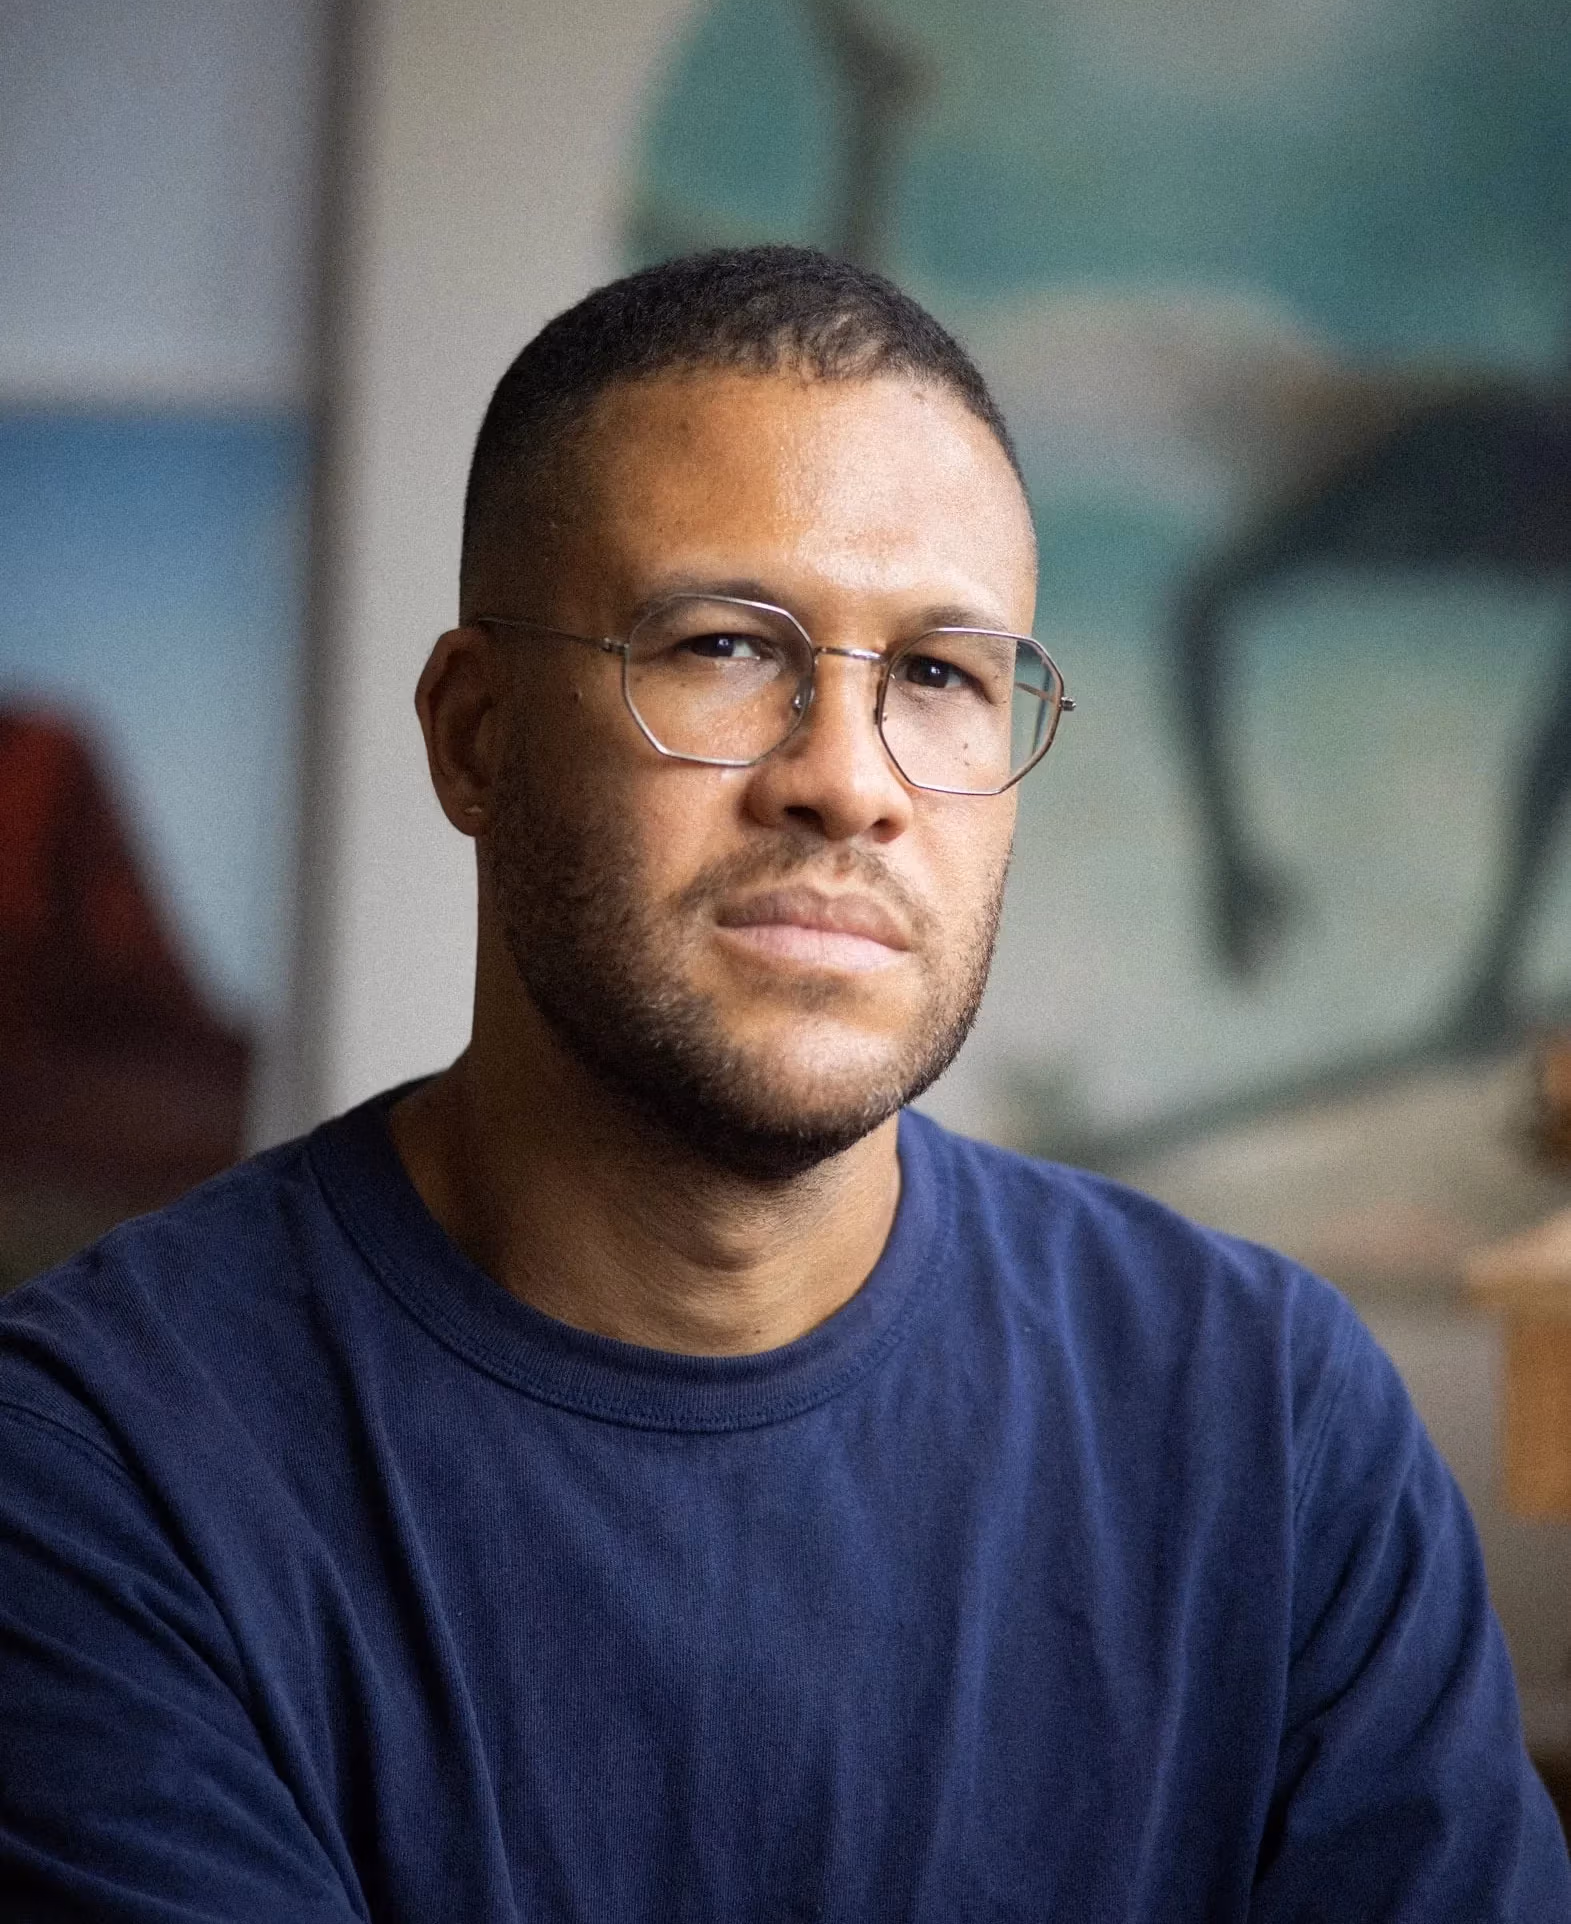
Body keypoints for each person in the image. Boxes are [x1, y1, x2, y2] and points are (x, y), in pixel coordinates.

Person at [0, 246, 1565, 1923]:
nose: (847, 781)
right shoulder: (98, 1466)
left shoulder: (1270, 1422)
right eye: (725, 647)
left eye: (942, 676)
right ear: (473, 734)